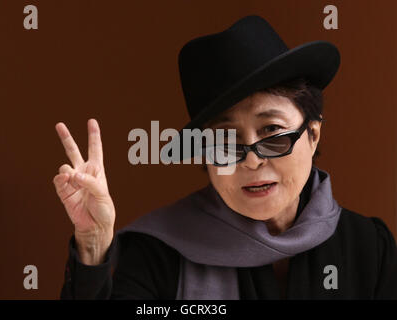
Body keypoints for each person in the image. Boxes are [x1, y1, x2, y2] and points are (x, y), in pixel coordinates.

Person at [54, 15, 397, 299]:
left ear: (312, 133)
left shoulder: (369, 248)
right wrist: (94, 243)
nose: (250, 161)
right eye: (225, 141)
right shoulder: (157, 253)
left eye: (272, 132)